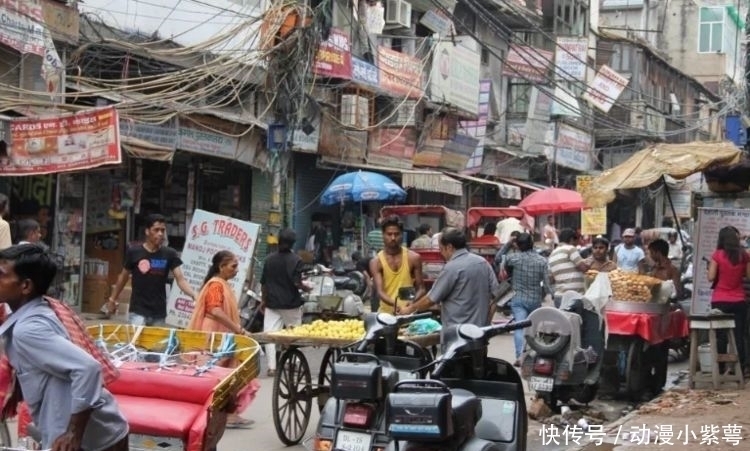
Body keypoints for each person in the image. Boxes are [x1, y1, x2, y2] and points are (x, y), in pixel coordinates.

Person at [0, 244, 129, 450]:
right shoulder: (41, 307)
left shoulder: (28, 330)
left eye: (1, 275)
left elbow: (88, 369)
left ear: (25, 286)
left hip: (89, 441)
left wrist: (73, 433)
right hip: (103, 429)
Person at [188, 250, 256, 428]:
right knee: (217, 375)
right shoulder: (216, 285)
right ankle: (214, 413)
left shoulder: (222, 284)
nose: (236, 270)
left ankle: (226, 413)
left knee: (226, 375)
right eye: (233, 266)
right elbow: (215, 310)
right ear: (221, 267)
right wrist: (238, 329)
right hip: (214, 335)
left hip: (222, 334)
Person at [398, 228, 501, 333]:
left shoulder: (451, 268)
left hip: (457, 336)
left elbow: (430, 300)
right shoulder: (483, 263)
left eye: (441, 249)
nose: (441, 253)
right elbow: (498, 296)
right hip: (480, 334)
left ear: (449, 247)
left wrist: (409, 309)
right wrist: (487, 322)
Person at [108, 214, 197, 325]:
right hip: (138, 311)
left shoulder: (170, 254)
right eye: (156, 230)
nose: (160, 234)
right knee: (136, 341)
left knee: (156, 342)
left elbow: (180, 279)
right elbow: (123, 277)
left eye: (162, 230)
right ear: (147, 231)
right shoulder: (134, 252)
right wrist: (112, 299)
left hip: (158, 313)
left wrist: (193, 294)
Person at [261, 228, 311, 377]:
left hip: (272, 303)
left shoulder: (269, 259)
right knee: (295, 333)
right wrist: (306, 287)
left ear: (278, 240)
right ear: (293, 243)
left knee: (270, 335)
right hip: (291, 304)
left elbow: (263, 283)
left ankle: (272, 367)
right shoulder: (296, 260)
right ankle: (293, 364)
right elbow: (297, 283)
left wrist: (264, 300)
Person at [498, 233, 552, 362]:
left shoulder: (514, 258)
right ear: (532, 244)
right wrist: (552, 296)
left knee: (519, 328)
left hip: (519, 300)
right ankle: (532, 356)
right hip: (535, 300)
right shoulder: (542, 260)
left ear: (518, 245)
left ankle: (520, 356)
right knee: (533, 329)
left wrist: (508, 244)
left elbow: (498, 257)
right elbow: (547, 283)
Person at [707, 226, 750, 375]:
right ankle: (741, 368)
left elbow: (711, 277)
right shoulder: (744, 256)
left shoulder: (717, 255)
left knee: (721, 336)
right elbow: (748, 276)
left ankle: (720, 368)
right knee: (739, 336)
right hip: (739, 301)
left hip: (720, 300)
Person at [370, 215, 425, 314]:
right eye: (389, 234)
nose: (393, 238)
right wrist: (395, 304)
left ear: (402, 235)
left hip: (408, 313)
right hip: (385, 314)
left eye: (397, 234)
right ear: (383, 235)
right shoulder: (376, 262)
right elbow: (380, 292)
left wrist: (412, 302)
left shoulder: (413, 258)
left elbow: (421, 288)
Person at [548, 229, 590, 301]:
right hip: (573, 297)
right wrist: (591, 262)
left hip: (559, 297)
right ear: (571, 239)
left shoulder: (552, 254)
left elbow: (551, 279)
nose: (577, 244)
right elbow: (583, 268)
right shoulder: (570, 249)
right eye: (576, 241)